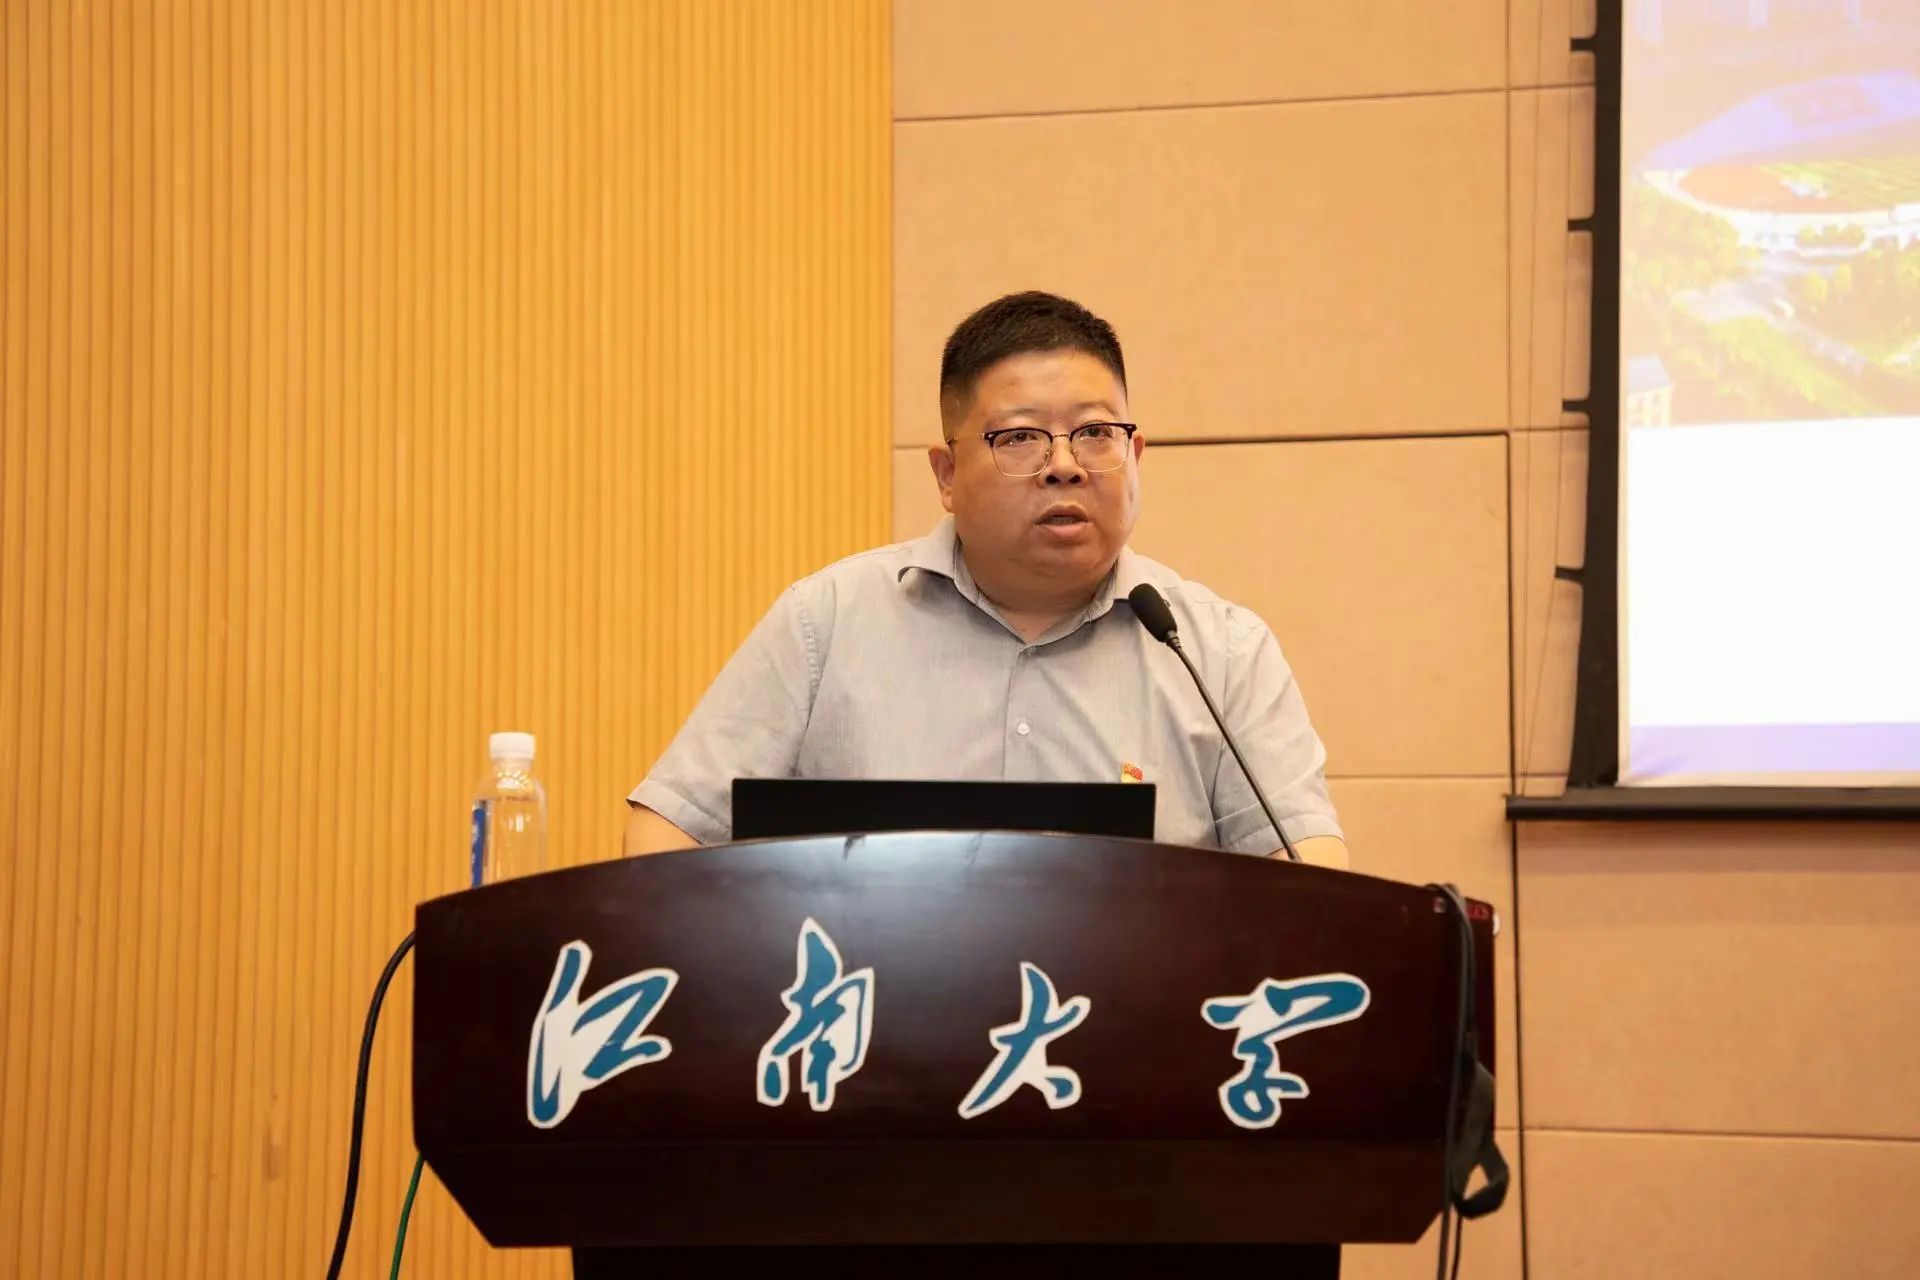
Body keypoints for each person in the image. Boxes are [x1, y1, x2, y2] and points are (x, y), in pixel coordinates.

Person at [624, 291, 1347, 867]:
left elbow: (1307, 875)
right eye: (1021, 437)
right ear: (946, 474)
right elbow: (670, 829)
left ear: (1136, 456)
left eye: (1096, 433)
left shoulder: (1219, 651)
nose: (1064, 465)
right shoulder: (828, 622)